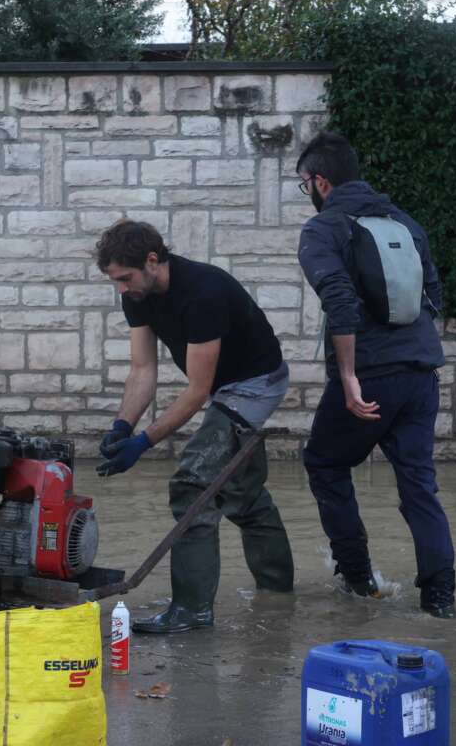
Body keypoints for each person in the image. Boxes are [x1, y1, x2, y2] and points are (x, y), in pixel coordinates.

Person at [94, 220, 295, 634]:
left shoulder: (204, 292)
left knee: (192, 484)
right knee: (241, 493)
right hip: (223, 386)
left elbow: (198, 392)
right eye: (115, 281)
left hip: (255, 384)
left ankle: (191, 610)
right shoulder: (137, 295)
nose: (121, 289)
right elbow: (142, 370)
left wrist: (143, 442)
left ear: (152, 261)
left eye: (125, 278)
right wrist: (121, 427)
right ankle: (278, 594)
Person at [296, 131, 456, 618]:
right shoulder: (405, 223)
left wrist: (348, 376)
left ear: (320, 182)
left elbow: (339, 301)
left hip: (370, 374)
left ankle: (359, 580)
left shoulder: (324, 229)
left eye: (305, 185)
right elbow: (433, 297)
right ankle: (441, 600)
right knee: (419, 486)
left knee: (325, 463)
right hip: (421, 373)